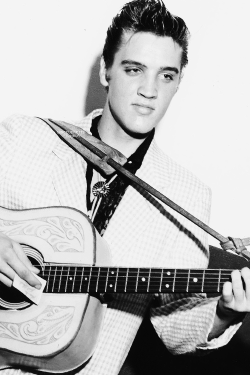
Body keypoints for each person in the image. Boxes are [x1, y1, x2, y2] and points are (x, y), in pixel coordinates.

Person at [0, 1, 250, 374]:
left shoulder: (187, 194)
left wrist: (225, 312)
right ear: (106, 70)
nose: (149, 90)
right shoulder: (23, 138)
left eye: (166, 76)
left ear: (179, 82)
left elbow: (175, 330)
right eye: (134, 70)